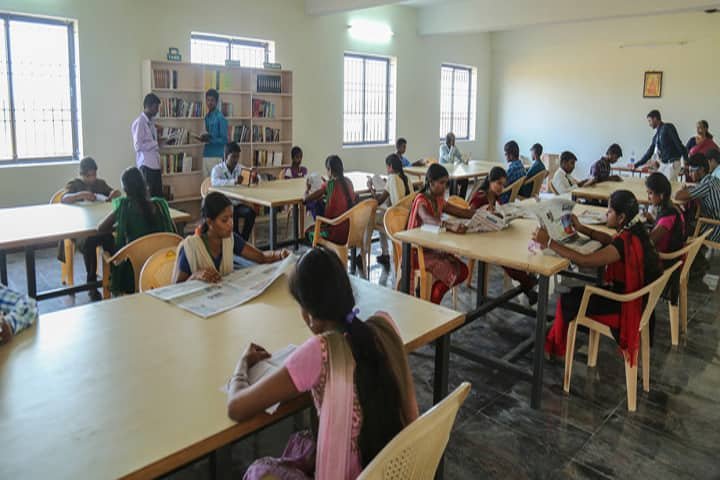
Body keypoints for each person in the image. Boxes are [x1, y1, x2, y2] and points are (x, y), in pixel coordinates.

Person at [228, 246, 419, 479]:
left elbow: (237, 408)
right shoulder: (384, 327)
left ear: (309, 315)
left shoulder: (320, 352)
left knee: (259, 471)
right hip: (396, 470)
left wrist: (242, 364)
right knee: (304, 444)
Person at [533, 190, 662, 361]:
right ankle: (556, 340)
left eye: (610, 211)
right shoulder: (636, 231)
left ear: (621, 217)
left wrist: (549, 242)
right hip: (638, 301)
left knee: (567, 299)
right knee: (577, 294)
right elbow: (610, 241)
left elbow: (585, 261)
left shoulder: (624, 242)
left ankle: (555, 347)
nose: (606, 214)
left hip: (624, 307)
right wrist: (581, 228)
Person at [172, 192, 289, 283]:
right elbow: (176, 288)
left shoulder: (230, 240)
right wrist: (195, 276)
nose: (231, 224)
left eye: (231, 217)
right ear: (209, 222)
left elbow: (261, 257)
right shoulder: (191, 247)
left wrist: (279, 255)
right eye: (224, 220)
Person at [98, 167, 176, 295]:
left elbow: (100, 228)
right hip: (163, 266)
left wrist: (120, 225)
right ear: (144, 185)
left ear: (125, 189)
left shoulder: (124, 207)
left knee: (108, 244)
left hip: (133, 272)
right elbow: (173, 230)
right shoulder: (160, 205)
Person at [470, 166, 539, 304]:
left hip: (493, 234)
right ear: (490, 180)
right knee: (506, 257)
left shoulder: (494, 196)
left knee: (516, 245)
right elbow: (470, 215)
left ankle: (528, 282)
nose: (501, 188)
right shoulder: (480, 196)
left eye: (503, 185)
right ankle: (528, 282)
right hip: (479, 238)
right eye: (499, 183)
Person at [408, 164, 474, 304]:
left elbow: (460, 212)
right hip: (417, 252)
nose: (445, 187)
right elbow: (427, 218)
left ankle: (432, 295)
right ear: (431, 182)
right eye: (441, 183)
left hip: (432, 248)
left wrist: (482, 215)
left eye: (446, 183)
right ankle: (433, 300)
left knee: (463, 270)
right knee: (453, 270)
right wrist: (449, 225)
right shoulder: (421, 200)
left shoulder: (438, 200)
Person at [61, 157, 122, 300]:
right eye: (88, 176)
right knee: (89, 242)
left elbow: (115, 192)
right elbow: (64, 198)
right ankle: (92, 285)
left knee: (110, 240)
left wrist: (114, 194)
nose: (92, 178)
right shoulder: (74, 184)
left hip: (99, 225)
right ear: (82, 174)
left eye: (94, 174)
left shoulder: (100, 184)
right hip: (81, 229)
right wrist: (80, 195)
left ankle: (115, 279)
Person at [675, 154, 720, 276]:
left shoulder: (706, 185)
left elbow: (678, 196)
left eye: (691, 171)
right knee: (690, 220)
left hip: (716, 228)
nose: (690, 174)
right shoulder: (712, 180)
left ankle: (695, 264)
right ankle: (699, 259)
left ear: (701, 170)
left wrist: (684, 189)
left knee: (683, 228)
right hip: (715, 222)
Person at [368, 153, 412, 266]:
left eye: (387, 167)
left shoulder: (392, 178)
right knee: (381, 214)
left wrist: (371, 188)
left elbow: (378, 201)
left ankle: (363, 253)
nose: (387, 170)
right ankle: (385, 253)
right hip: (408, 218)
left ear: (390, 166)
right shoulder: (406, 178)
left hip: (395, 219)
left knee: (371, 217)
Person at [303, 155, 356, 244]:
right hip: (350, 232)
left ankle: (325, 250)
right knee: (321, 203)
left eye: (327, 170)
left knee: (307, 233)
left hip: (334, 234)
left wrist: (307, 189)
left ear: (330, 170)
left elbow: (306, 199)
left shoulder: (329, 184)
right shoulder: (348, 182)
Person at [210, 142, 257, 241]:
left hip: (238, 203)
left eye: (237, 157)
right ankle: (236, 241)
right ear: (226, 156)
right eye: (233, 157)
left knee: (251, 213)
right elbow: (215, 182)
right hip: (224, 206)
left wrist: (255, 178)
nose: (236, 160)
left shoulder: (240, 168)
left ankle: (243, 240)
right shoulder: (217, 169)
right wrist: (234, 181)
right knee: (231, 216)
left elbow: (253, 176)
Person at [634, 110, 686, 181]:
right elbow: (649, 152)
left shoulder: (668, 127)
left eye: (650, 121)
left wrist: (686, 160)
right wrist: (636, 164)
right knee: (659, 183)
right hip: (664, 164)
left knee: (669, 185)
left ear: (655, 119)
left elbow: (678, 143)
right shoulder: (656, 136)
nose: (649, 124)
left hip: (672, 163)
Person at [131, 93, 164, 198]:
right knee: (149, 197)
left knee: (158, 197)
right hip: (146, 166)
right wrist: (156, 143)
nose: (157, 110)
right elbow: (138, 146)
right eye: (156, 107)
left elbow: (151, 141)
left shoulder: (151, 122)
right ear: (148, 106)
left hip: (155, 164)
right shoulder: (140, 122)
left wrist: (160, 139)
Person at [200, 88, 229, 176]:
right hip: (206, 154)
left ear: (216, 102)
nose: (209, 103)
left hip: (217, 155)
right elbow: (209, 134)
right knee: (206, 182)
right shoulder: (207, 117)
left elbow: (224, 140)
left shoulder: (220, 117)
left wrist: (210, 140)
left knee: (216, 182)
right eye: (208, 100)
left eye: (212, 100)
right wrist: (203, 138)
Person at [439, 132, 468, 198]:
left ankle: (461, 199)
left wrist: (464, 161)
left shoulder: (454, 147)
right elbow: (449, 159)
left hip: (451, 171)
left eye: (454, 140)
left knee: (465, 179)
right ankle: (452, 199)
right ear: (448, 140)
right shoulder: (442, 148)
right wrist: (452, 148)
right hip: (443, 173)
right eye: (452, 140)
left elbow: (459, 156)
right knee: (454, 179)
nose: (454, 142)